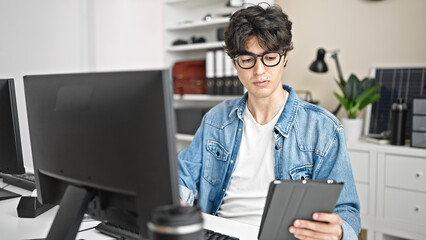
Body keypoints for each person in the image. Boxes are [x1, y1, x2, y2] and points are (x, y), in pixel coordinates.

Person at [178, 4, 360, 240]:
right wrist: (178, 199)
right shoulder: (216, 120)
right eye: (247, 60)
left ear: (284, 58)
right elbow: (183, 175)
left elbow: (348, 213)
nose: (259, 71)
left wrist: (338, 231)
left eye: (270, 57)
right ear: (234, 63)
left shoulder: (323, 128)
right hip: (219, 233)